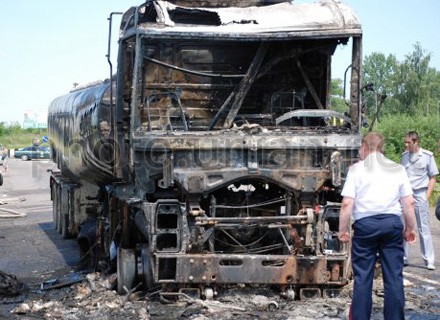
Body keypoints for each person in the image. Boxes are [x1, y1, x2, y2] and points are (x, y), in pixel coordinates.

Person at [338, 132, 416, 320]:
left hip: (365, 226)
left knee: (363, 278)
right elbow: (409, 203)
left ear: (365, 147)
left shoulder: (356, 170)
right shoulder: (398, 169)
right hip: (391, 225)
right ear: (383, 148)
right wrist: (410, 229)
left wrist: (342, 230)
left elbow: (347, 203)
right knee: (394, 278)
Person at [401, 131, 438, 270]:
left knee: (424, 228)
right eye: (405, 142)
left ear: (415, 142)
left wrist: (427, 195)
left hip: (420, 193)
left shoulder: (427, 156)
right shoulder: (404, 156)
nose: (406, 144)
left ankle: (429, 260)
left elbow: (433, 177)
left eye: (408, 142)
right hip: (406, 195)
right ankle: (403, 257)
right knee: (404, 227)